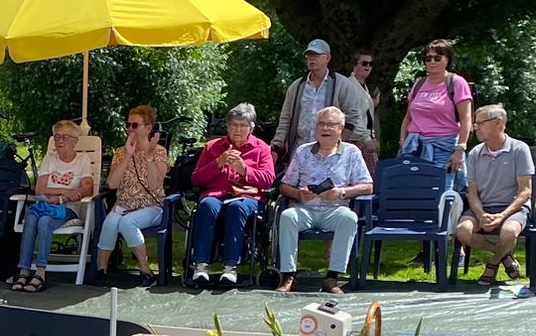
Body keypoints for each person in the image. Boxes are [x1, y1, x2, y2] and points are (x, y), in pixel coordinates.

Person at [275, 106, 371, 293]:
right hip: (305, 208)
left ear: (340, 128)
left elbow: (367, 185)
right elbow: (284, 185)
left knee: (349, 219)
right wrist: (298, 194)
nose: (325, 129)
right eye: (321, 124)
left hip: (335, 209)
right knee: (287, 216)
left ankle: (332, 278)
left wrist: (341, 192)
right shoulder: (303, 151)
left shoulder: (351, 152)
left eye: (330, 124)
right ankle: (289, 276)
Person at [186, 103, 275, 287]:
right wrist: (218, 162)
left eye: (243, 125)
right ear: (227, 127)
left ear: (250, 128)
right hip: (216, 195)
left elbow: (268, 180)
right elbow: (196, 179)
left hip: (247, 198)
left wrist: (244, 170)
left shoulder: (262, 148)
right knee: (207, 205)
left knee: (237, 208)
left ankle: (230, 268)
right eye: (234, 125)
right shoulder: (212, 146)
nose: (238, 129)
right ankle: (201, 266)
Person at [454, 105, 535, 285]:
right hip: (483, 206)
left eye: (480, 123)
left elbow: (525, 191)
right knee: (462, 231)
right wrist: (481, 214)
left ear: (498, 123)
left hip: (513, 208)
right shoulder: (475, 153)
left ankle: (492, 263)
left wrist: (502, 216)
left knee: (508, 232)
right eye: (475, 124)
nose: (476, 128)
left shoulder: (519, 149)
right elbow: (472, 193)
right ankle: (503, 255)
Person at [9, 120, 93, 290]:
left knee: (44, 221)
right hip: (46, 205)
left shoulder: (83, 159)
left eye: (65, 137)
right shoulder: (50, 158)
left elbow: (88, 188)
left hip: (69, 208)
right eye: (57, 137)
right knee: (31, 218)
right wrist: (67, 191)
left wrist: (62, 198)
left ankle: (40, 272)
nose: (60, 141)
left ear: (75, 141)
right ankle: (24, 271)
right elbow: (40, 189)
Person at [93, 104, 168, 285]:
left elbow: (155, 184)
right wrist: (127, 155)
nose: (129, 129)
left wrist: (148, 157)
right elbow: (112, 184)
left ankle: (146, 270)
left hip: (151, 207)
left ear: (148, 128)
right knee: (110, 223)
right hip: (124, 205)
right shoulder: (120, 152)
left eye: (135, 125)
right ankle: (101, 271)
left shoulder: (159, 151)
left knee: (128, 222)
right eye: (128, 124)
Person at [271, 39, 372, 155]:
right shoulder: (296, 87)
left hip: (329, 154)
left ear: (327, 58)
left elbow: (352, 117)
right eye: (309, 55)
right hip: (299, 152)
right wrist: (276, 147)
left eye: (316, 54)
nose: (312, 58)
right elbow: (285, 121)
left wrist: (337, 142)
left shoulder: (342, 84)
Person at [399, 38, 474, 187]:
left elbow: (466, 118)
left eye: (437, 58)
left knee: (440, 193)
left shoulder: (457, 82)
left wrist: (460, 148)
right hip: (414, 147)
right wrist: (402, 142)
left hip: (443, 148)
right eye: (428, 58)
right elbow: (408, 117)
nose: (432, 62)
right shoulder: (419, 84)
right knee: (412, 191)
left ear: (447, 59)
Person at [347, 49, 381, 169]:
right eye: (364, 63)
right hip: (355, 140)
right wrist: (367, 139)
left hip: (364, 140)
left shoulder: (363, 87)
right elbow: (353, 115)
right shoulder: (350, 85)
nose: (368, 67)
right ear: (354, 65)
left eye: (370, 64)